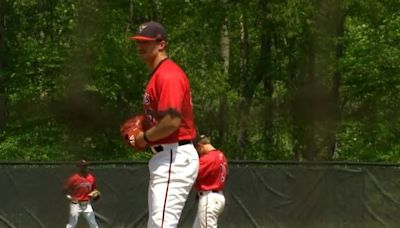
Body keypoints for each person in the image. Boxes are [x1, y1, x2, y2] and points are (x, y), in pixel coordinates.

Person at [128, 21, 199, 228]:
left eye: (147, 42)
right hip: (167, 156)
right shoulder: (159, 74)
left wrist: (144, 137)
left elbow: (171, 121)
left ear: (161, 44)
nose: (141, 46)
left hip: (173, 156)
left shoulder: (168, 74)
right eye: (139, 41)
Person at [193, 134, 228, 228]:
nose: (198, 152)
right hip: (217, 196)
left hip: (209, 198)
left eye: (197, 149)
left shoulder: (208, 158)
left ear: (200, 146)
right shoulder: (221, 155)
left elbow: (193, 175)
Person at [64, 160, 100, 228]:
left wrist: (95, 193)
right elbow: (65, 190)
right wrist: (71, 198)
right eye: (82, 166)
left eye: (86, 166)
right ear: (79, 167)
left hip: (86, 204)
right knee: (72, 224)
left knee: (93, 223)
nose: (84, 168)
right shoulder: (74, 178)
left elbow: (94, 189)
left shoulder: (91, 177)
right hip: (75, 204)